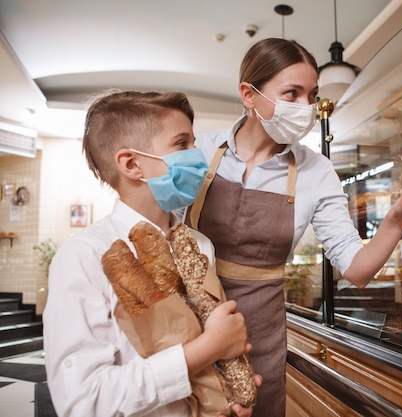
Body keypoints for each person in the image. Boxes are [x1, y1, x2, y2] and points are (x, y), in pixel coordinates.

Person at [186, 38, 402, 417]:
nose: (306, 108)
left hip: (259, 333)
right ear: (249, 95)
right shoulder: (199, 149)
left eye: (312, 95)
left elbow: (358, 270)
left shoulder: (316, 172)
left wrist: (398, 217)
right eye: (292, 94)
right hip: (189, 323)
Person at [43, 90, 259, 417]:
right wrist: (206, 349)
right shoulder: (85, 257)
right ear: (133, 164)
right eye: (182, 144)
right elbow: (84, 401)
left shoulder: (200, 246)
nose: (197, 156)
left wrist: (228, 392)